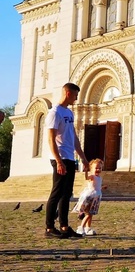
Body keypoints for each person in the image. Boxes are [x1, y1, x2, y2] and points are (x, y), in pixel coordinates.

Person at [45, 83, 89, 238]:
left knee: (67, 193)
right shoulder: (54, 112)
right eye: (76, 95)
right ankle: (49, 228)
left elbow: (74, 137)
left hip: (69, 158)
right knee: (56, 193)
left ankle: (64, 226)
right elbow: (51, 139)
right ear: (68, 93)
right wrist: (58, 161)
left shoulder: (69, 113)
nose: (77, 98)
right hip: (60, 157)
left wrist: (83, 158)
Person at [72, 158, 106, 235]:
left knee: (91, 214)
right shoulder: (92, 176)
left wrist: (102, 187)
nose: (98, 169)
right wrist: (86, 171)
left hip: (96, 197)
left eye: (100, 168)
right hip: (90, 197)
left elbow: (96, 187)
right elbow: (87, 178)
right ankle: (81, 227)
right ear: (91, 169)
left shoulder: (99, 178)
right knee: (88, 214)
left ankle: (88, 228)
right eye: (96, 168)